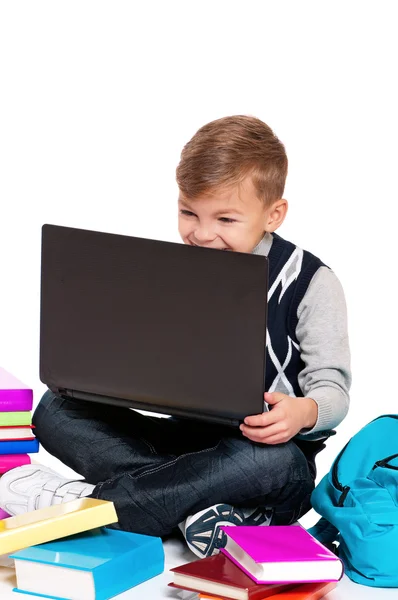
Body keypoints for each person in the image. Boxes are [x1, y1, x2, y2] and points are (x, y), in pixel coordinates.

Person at [0, 116, 351, 559]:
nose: (202, 235)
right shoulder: (175, 270)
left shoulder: (311, 282)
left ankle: (91, 507)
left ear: (273, 214)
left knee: (275, 462)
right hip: (183, 442)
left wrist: (304, 412)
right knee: (56, 408)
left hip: (261, 460)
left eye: (225, 218)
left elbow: (334, 393)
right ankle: (196, 511)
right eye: (188, 212)